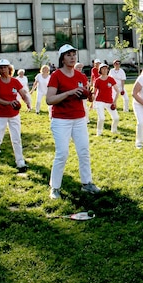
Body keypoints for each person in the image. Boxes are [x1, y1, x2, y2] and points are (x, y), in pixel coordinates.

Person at [46, 44, 100, 199]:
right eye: (68, 55)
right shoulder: (56, 75)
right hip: (61, 120)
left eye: (74, 55)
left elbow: (88, 96)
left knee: (84, 151)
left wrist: (89, 95)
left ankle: (87, 183)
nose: (72, 57)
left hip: (79, 118)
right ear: (62, 58)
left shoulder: (81, 76)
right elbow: (49, 100)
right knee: (62, 153)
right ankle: (55, 187)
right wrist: (69, 92)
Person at [0, 59, 31, 174]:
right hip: (0, 115)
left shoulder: (15, 81)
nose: (3, 69)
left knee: (16, 139)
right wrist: (8, 103)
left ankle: (20, 163)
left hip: (14, 115)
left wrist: (27, 102)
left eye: (5, 67)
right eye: (1, 67)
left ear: (9, 68)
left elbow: (23, 93)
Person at [93, 63, 120, 136]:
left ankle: (114, 130)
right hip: (99, 101)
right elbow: (94, 92)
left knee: (116, 118)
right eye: (103, 68)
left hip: (109, 101)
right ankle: (99, 132)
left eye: (106, 68)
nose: (105, 70)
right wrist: (92, 102)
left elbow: (117, 91)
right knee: (101, 118)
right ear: (100, 70)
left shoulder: (110, 79)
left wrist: (114, 102)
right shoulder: (97, 80)